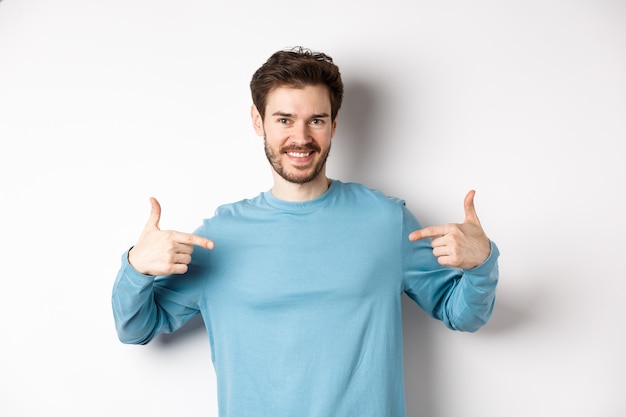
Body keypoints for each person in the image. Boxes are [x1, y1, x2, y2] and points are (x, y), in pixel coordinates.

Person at [112, 46, 499, 417]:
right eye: (284, 120)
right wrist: (136, 269)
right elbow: (135, 329)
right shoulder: (221, 236)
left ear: (334, 124)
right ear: (257, 120)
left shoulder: (384, 221)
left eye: (316, 120)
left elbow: (462, 314)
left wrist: (481, 264)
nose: (301, 137)